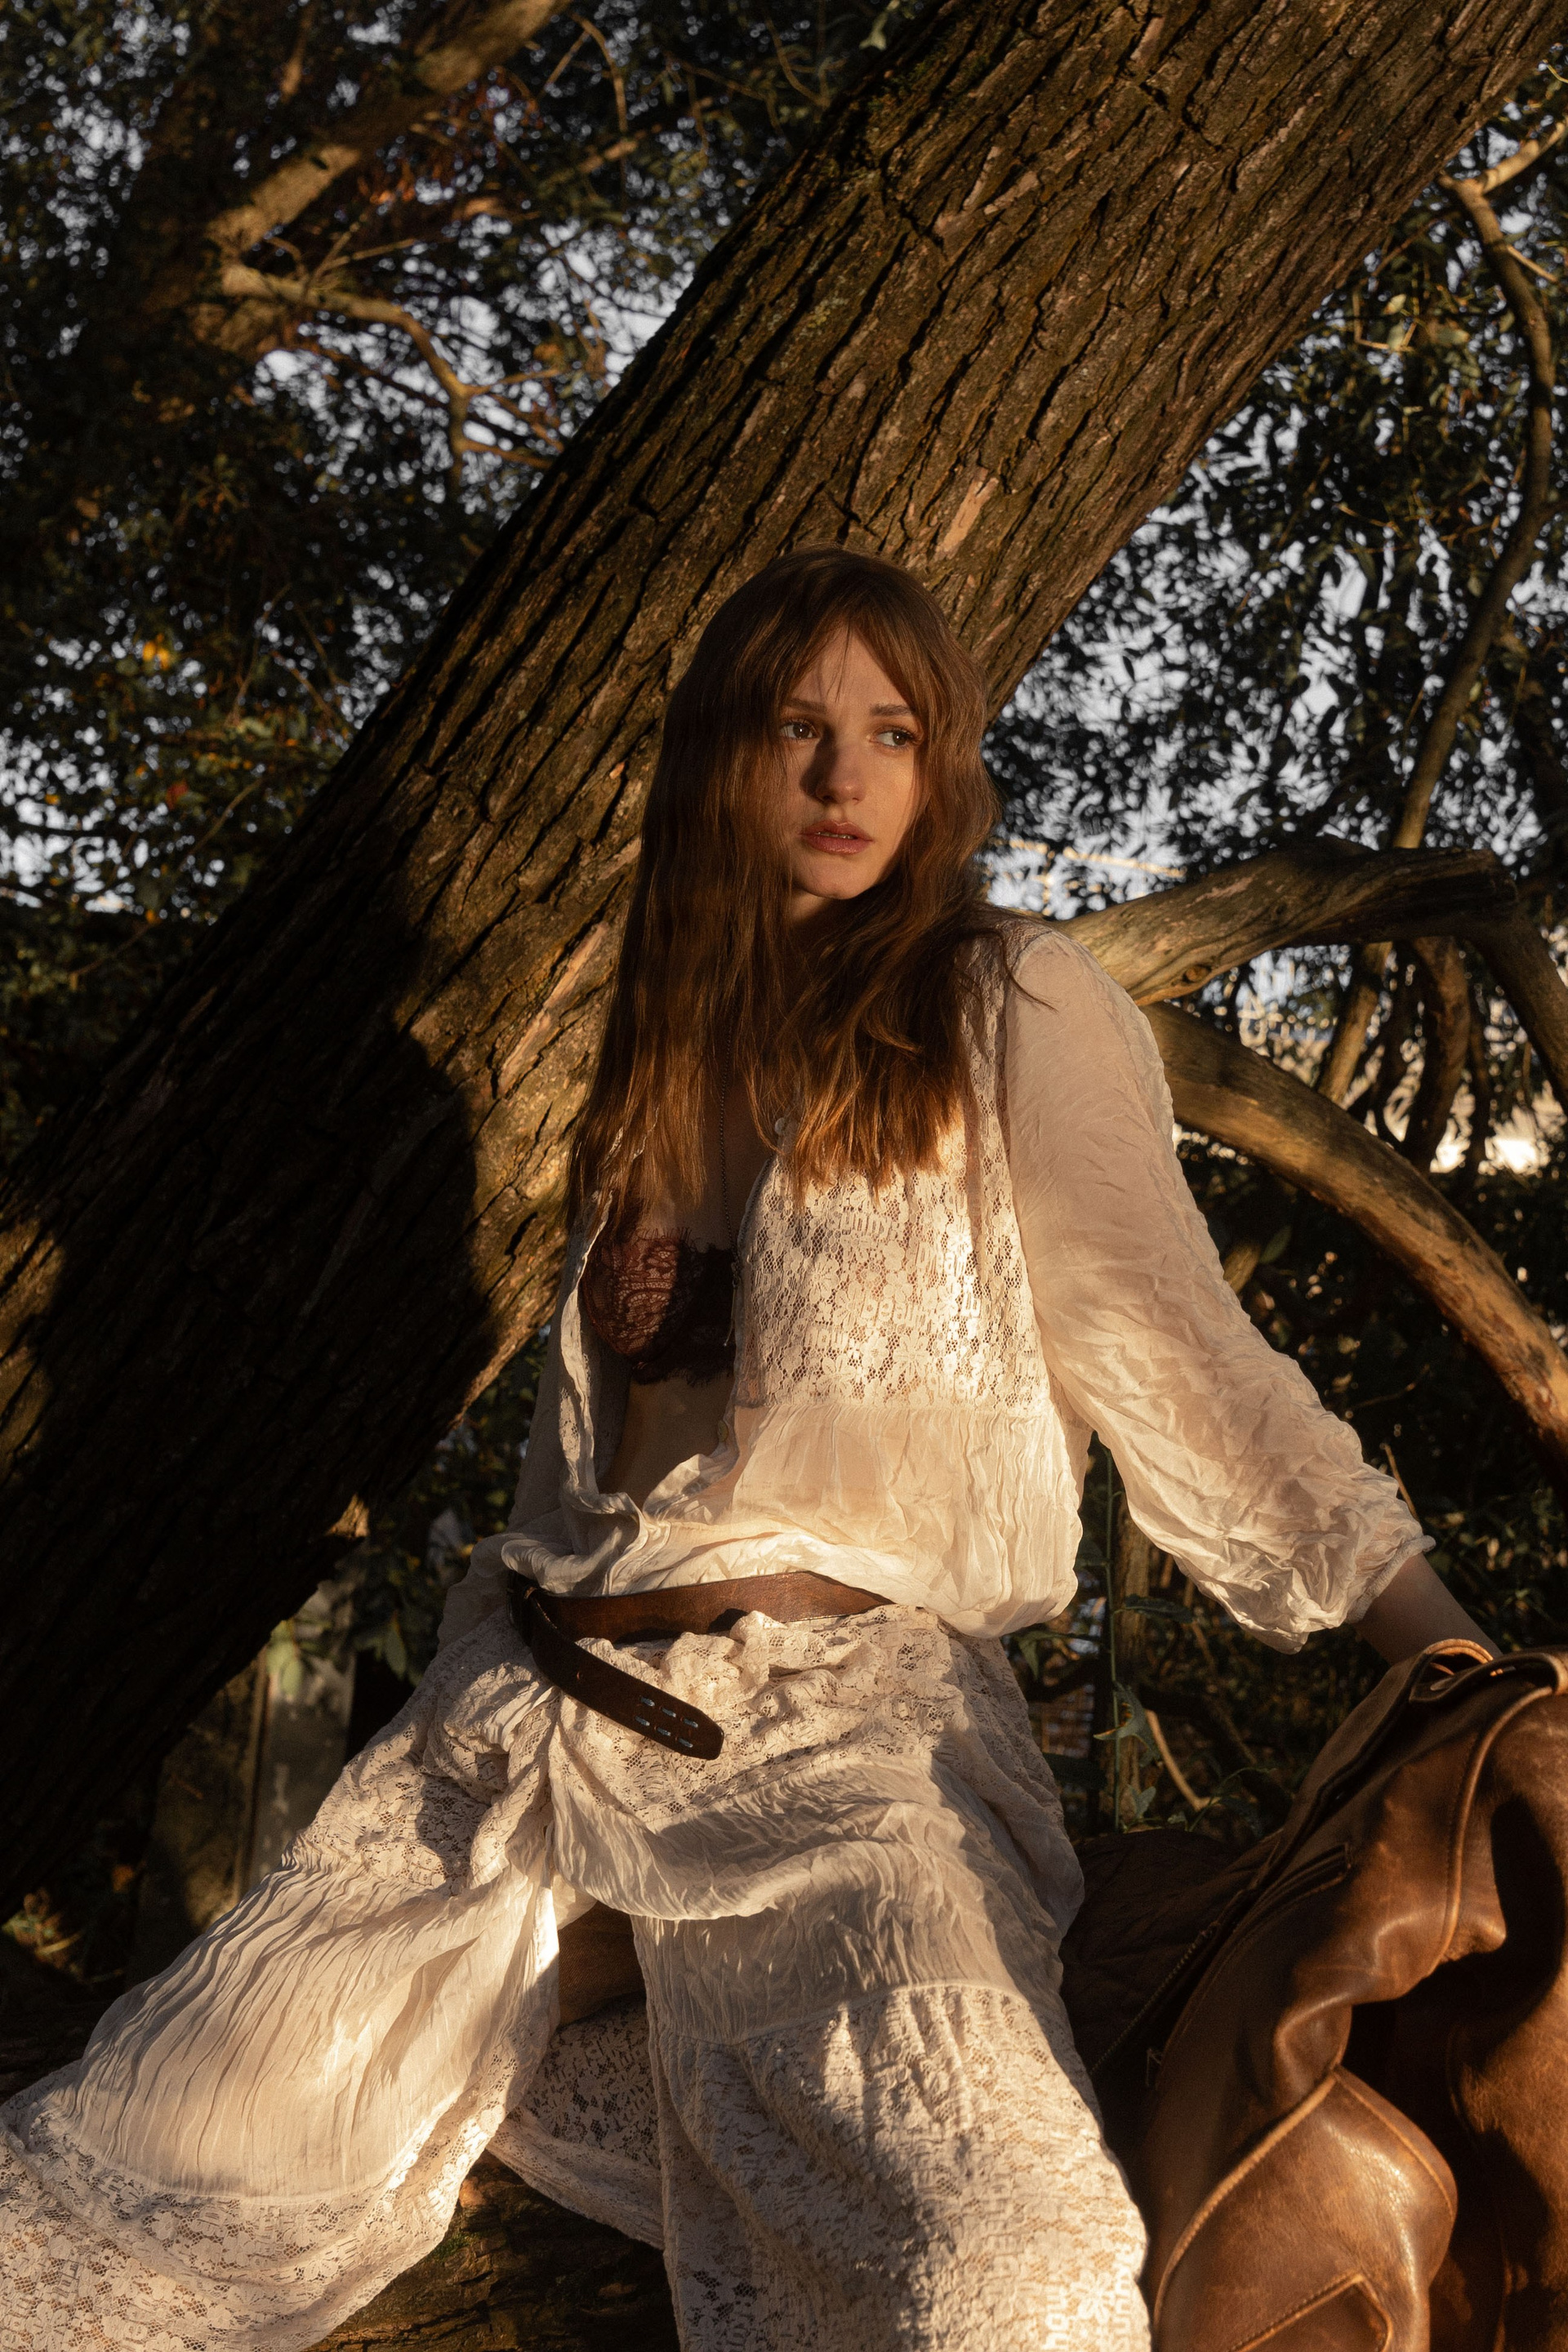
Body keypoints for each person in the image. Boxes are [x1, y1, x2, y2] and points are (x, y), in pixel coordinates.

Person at [0, 547, 1493, 2351]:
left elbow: (1185, 1352)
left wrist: (1452, 1658)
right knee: (112, 2195)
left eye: (893, 732)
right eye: (798, 728)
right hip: (520, 1730)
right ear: (722, 753)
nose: (846, 776)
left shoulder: (1005, 1000)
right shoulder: (658, 1045)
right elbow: (591, 1483)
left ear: (943, 768)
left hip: (837, 1740)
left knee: (1012, 2271)